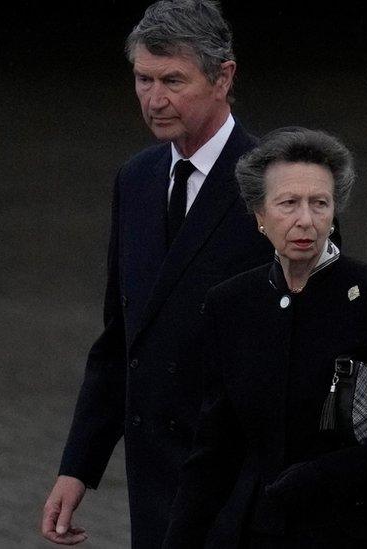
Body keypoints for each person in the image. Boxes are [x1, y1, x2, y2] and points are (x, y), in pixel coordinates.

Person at [39, 2, 275, 546]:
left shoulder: (278, 182)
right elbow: (122, 338)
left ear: (224, 77)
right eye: (143, 79)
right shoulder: (138, 180)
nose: (154, 98)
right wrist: (78, 466)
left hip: (245, 488)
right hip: (157, 487)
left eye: (173, 80)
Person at [161, 128, 367, 548]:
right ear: (259, 215)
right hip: (263, 531)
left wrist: (328, 474)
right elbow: (214, 449)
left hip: (362, 531)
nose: (306, 220)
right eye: (288, 204)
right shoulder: (232, 304)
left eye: (320, 203)